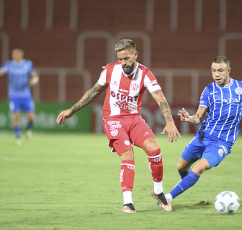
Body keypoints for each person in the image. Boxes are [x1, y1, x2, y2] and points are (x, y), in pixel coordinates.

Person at [56, 39, 181, 213]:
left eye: (127, 58)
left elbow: (160, 98)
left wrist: (169, 122)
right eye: (120, 59)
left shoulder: (145, 74)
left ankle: (158, 191)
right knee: (128, 155)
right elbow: (94, 91)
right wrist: (72, 109)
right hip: (113, 119)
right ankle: (127, 203)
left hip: (134, 119)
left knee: (154, 150)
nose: (123, 63)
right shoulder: (110, 70)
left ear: (135, 55)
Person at [161, 56, 242, 204]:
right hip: (203, 136)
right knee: (181, 167)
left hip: (222, 142)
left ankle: (167, 198)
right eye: (213, 71)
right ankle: (188, 182)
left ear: (229, 71)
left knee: (200, 167)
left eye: (220, 71)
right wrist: (190, 118)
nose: (216, 74)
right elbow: (198, 116)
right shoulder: (209, 90)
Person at [0, 47, 39, 145]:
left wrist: (34, 81)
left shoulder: (28, 64)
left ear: (21, 54)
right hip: (14, 96)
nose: (14, 55)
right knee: (16, 116)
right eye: (13, 53)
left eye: (16, 53)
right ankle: (18, 138)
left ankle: (27, 129)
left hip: (26, 96)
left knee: (31, 117)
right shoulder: (9, 65)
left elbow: (35, 76)